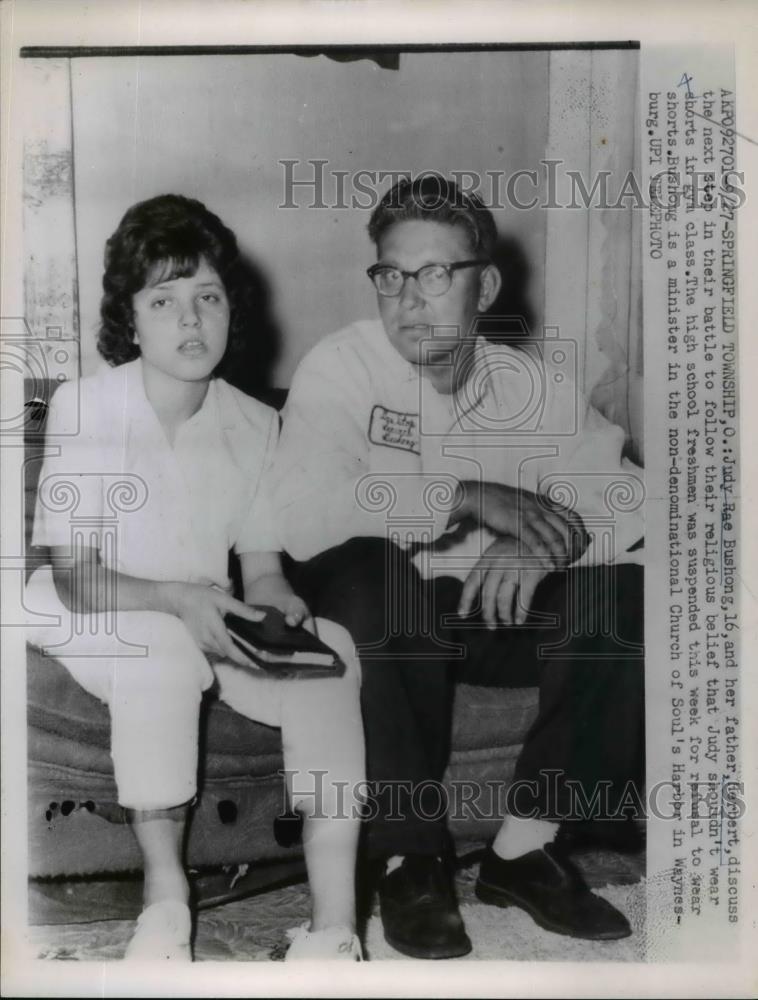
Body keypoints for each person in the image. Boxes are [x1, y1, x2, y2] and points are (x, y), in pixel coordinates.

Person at [271, 175, 645, 959]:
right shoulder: (339, 369)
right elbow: (307, 516)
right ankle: (411, 858)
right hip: (378, 615)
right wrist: (468, 495)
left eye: (438, 273)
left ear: (487, 285)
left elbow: (634, 500)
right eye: (392, 274)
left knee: (624, 591)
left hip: (485, 610)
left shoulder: (533, 385)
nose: (411, 297)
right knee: (378, 572)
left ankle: (524, 848)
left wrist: (553, 535)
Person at [26, 195, 365, 962]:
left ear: (230, 310)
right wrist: (181, 600)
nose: (190, 321)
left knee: (333, 651)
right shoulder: (87, 405)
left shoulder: (255, 422)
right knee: (161, 649)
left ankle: (334, 926)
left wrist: (283, 616)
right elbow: (75, 575)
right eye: (164, 299)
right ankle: (165, 903)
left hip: (197, 615)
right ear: (131, 318)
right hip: (88, 606)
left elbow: (264, 570)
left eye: (207, 297)